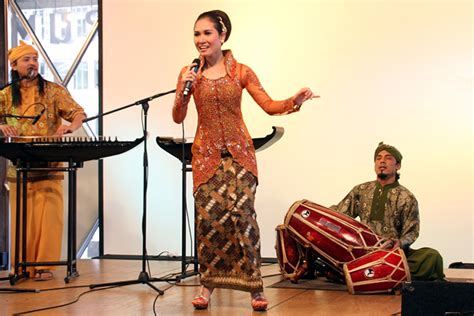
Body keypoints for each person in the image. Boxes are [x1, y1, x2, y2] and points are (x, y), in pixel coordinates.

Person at [172, 10, 318, 311]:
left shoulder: (241, 71)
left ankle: (254, 288)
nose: (201, 40)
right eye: (197, 34)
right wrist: (184, 91)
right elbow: (178, 117)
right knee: (209, 222)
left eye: (207, 33)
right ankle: (207, 285)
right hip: (205, 159)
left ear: (222, 35)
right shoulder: (189, 72)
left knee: (243, 218)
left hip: (240, 156)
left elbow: (268, 105)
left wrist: (294, 101)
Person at [0, 41, 86, 281]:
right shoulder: (6, 94)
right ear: (14, 66)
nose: (33, 64)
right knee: (23, 220)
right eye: (26, 60)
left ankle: (45, 266)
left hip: (49, 165)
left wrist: (72, 126)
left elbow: (78, 112)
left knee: (49, 218)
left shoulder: (53, 91)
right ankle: (21, 267)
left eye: (35, 59)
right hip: (20, 165)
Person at [331, 142, 445, 281]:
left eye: (388, 158)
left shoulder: (406, 197)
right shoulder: (361, 190)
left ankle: (362, 274)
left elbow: (411, 231)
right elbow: (340, 213)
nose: (382, 161)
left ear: (398, 166)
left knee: (431, 257)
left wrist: (400, 243)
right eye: (378, 158)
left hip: (392, 255)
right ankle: (377, 274)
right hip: (362, 251)